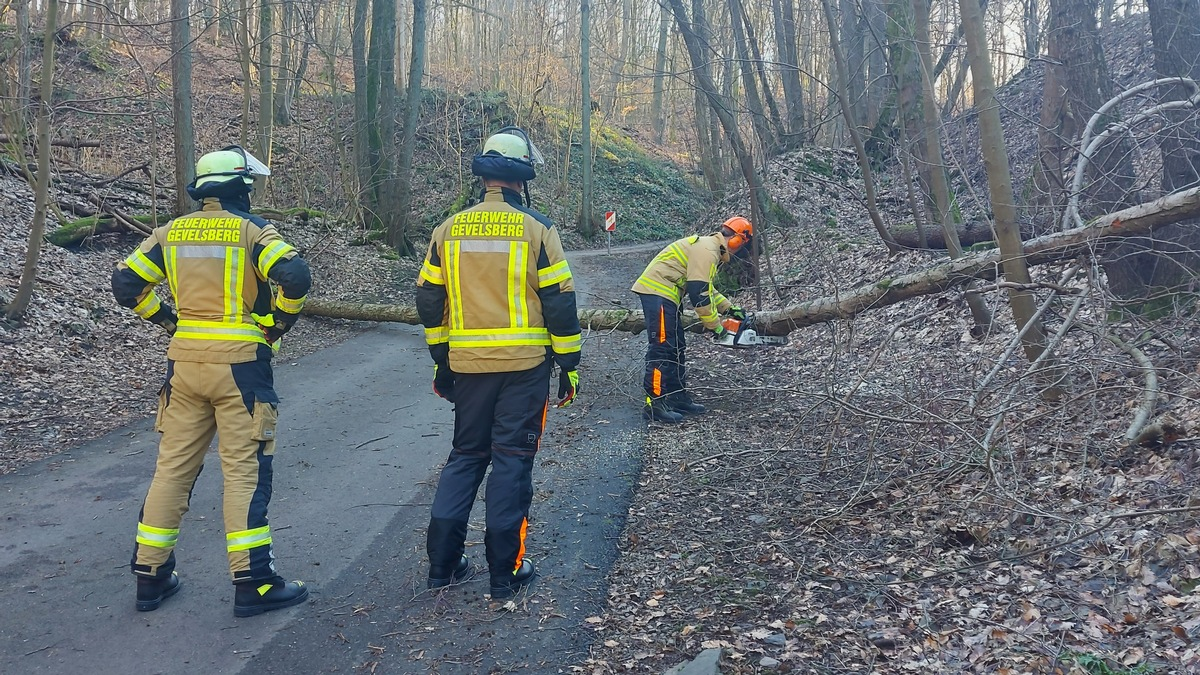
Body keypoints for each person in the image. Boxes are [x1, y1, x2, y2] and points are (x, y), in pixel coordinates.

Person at [111, 145, 312, 616]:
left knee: (173, 470)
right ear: (241, 187)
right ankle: (254, 584)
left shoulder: (170, 233)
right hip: (241, 368)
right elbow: (295, 276)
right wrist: (277, 325)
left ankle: (150, 577)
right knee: (243, 474)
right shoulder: (253, 231)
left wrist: (166, 319)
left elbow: (125, 284)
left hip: (183, 367)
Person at [416, 126, 582, 599]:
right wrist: (569, 363)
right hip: (525, 367)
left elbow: (429, 298)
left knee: (466, 456)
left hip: (467, 367)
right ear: (522, 176)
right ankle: (504, 573)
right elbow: (560, 302)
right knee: (512, 461)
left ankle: (442, 566)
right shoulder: (537, 228)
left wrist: (440, 359)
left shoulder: (447, 229)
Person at [631, 216, 753, 423]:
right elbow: (699, 294)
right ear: (736, 240)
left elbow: (706, 288)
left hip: (667, 295)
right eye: (741, 243)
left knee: (676, 347)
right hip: (658, 292)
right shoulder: (708, 250)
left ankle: (677, 397)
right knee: (661, 348)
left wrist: (730, 309)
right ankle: (655, 404)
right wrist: (716, 328)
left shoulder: (709, 248)